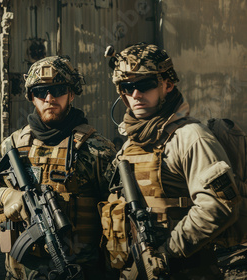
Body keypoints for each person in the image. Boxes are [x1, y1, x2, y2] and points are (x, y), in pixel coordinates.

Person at [0, 56, 117, 279]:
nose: (49, 98)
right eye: (40, 92)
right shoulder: (13, 146)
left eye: (58, 89)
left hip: (79, 272)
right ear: (31, 97)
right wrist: (6, 196)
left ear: (72, 93)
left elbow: (119, 217)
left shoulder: (96, 150)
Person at [103, 43, 240, 279]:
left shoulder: (191, 137)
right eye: (127, 87)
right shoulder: (129, 145)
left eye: (145, 84)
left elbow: (219, 205)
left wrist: (166, 252)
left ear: (167, 85)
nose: (135, 94)